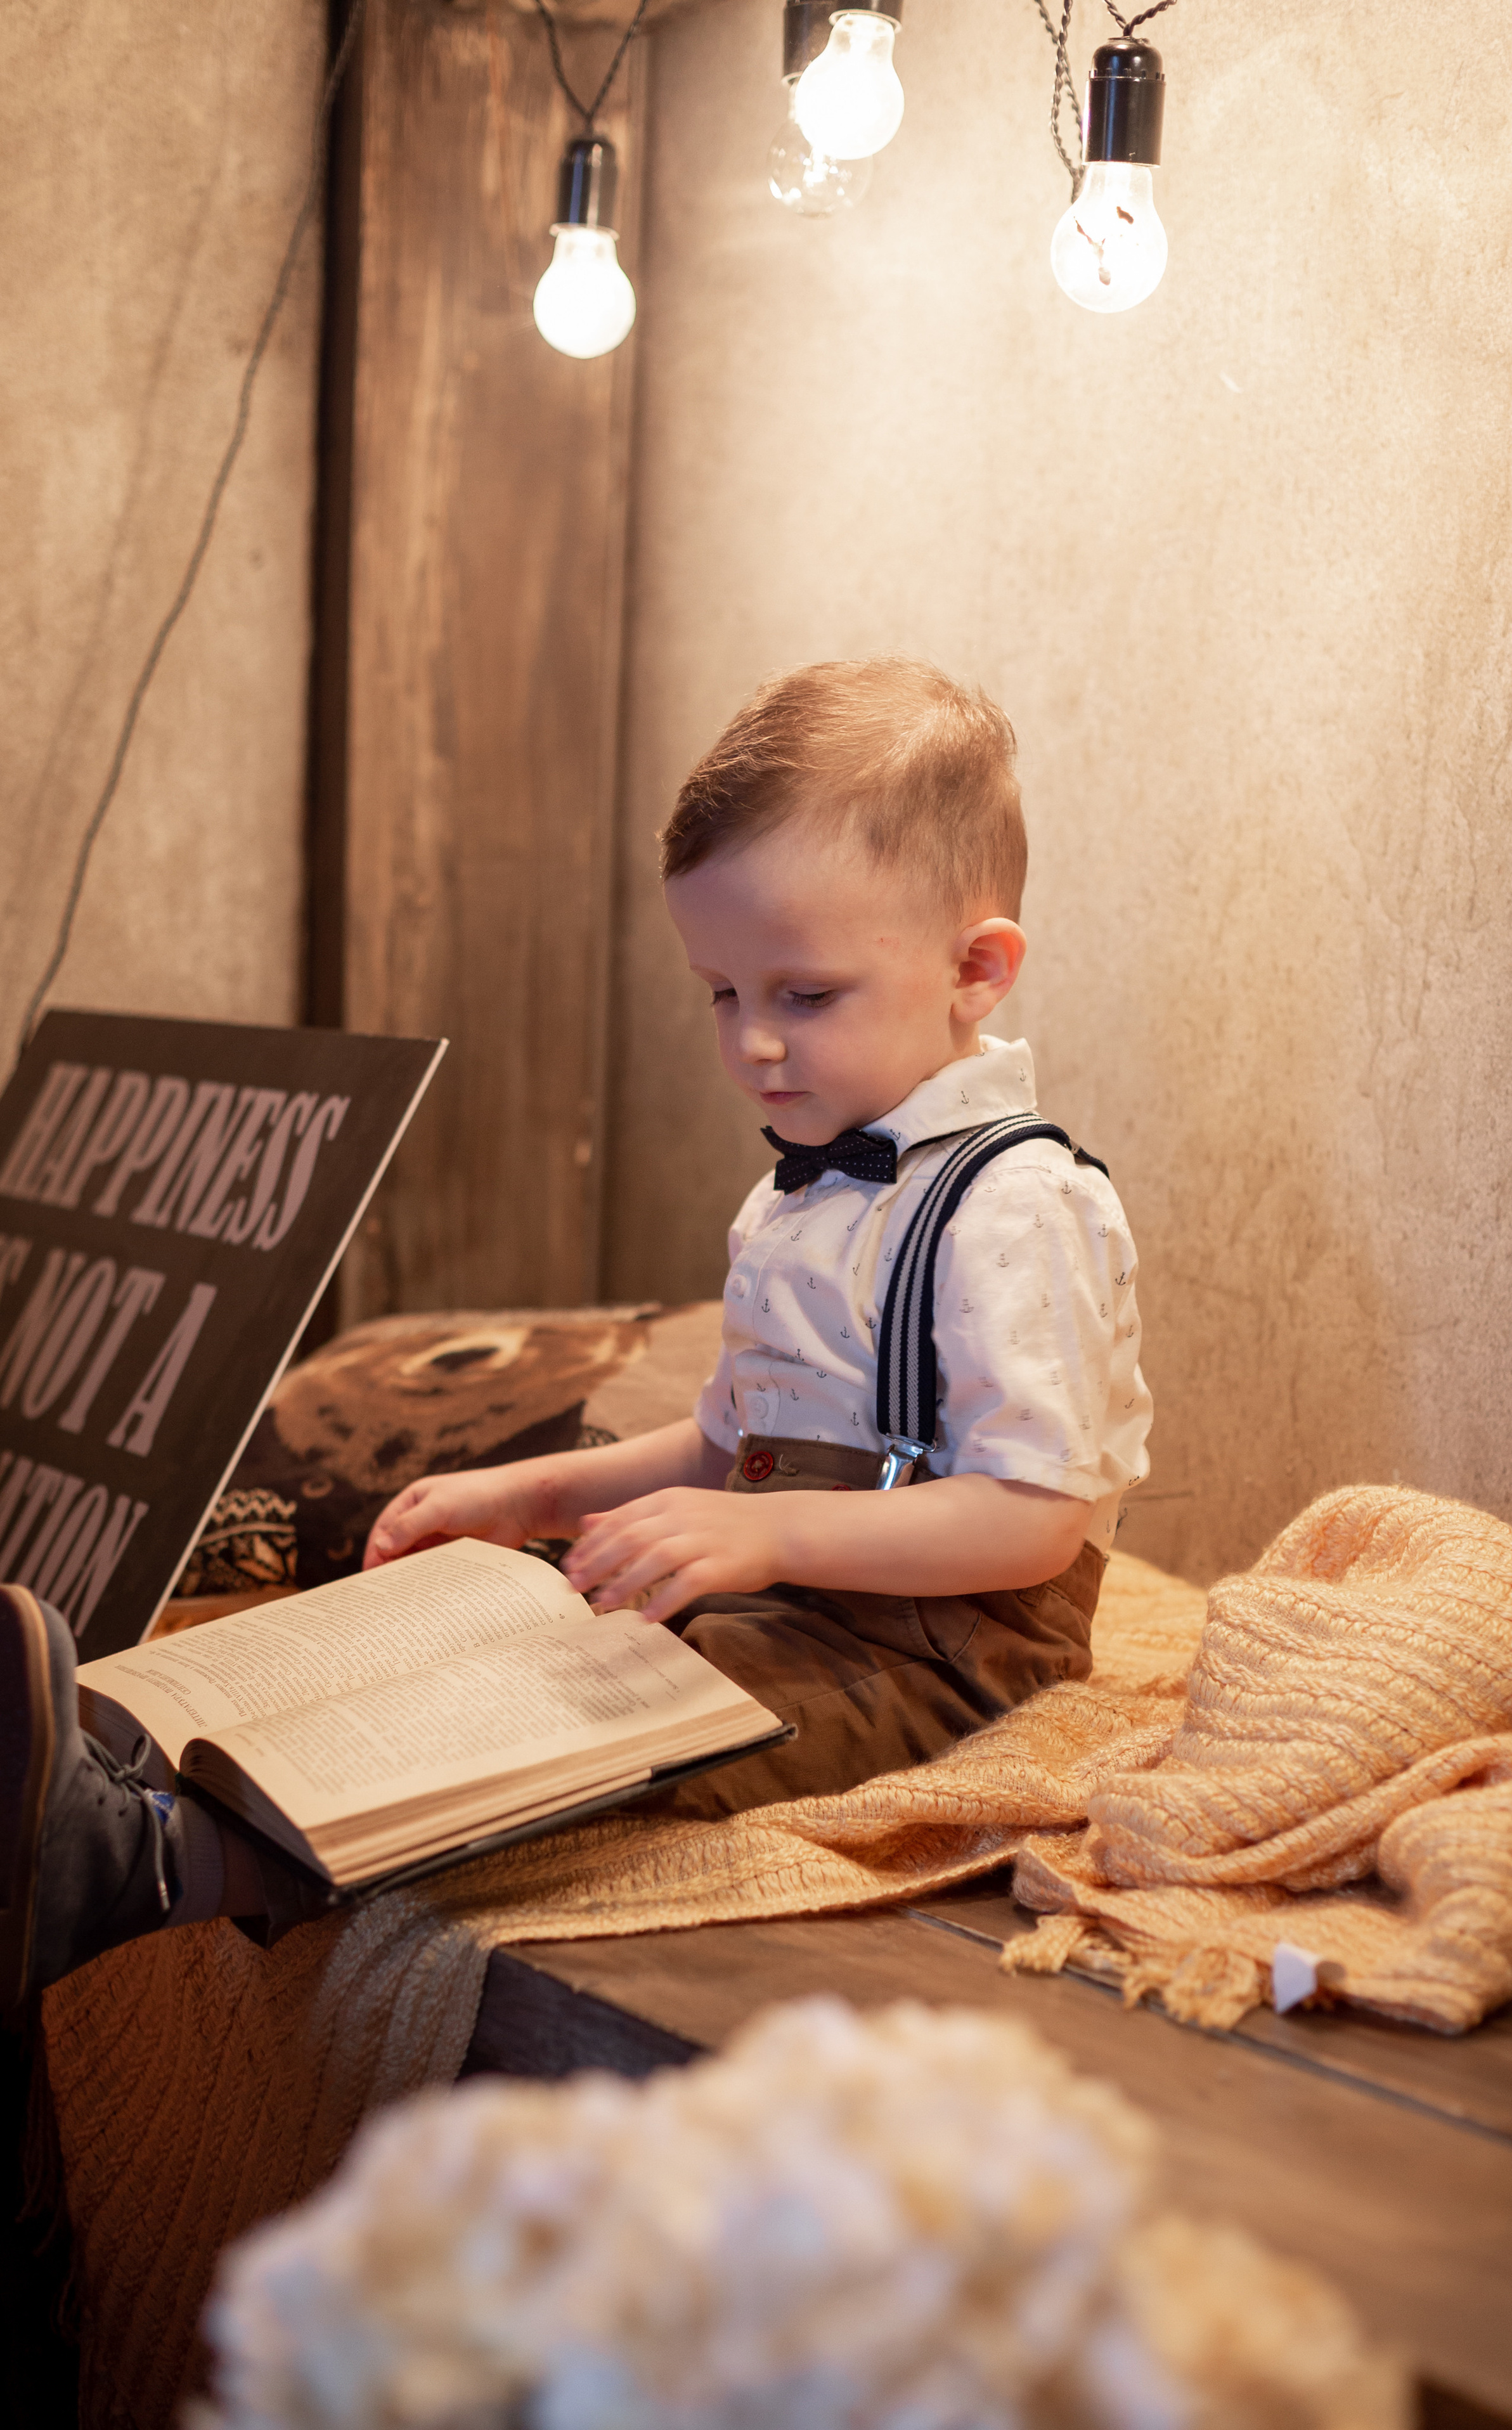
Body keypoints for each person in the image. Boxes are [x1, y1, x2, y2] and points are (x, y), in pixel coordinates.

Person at [1, 657, 1151, 2008]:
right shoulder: (801, 1192)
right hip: (787, 1597)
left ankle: (140, 1865)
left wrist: (769, 1535)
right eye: (721, 993)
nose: (752, 1047)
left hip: (936, 1652)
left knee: (570, 1717)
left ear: (976, 968)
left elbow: (1030, 1519)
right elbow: (738, 1444)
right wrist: (532, 1489)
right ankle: (113, 1762)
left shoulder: (1019, 1208)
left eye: (804, 994)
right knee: (480, 1628)